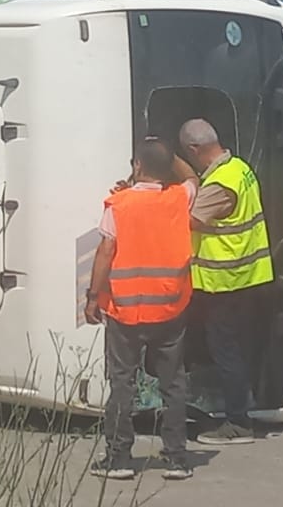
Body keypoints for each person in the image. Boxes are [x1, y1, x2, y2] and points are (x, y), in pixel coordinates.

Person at [85, 136, 195, 482]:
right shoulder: (180, 198)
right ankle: (177, 459)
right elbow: (191, 175)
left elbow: (105, 252)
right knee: (173, 384)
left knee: (122, 382)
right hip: (169, 308)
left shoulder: (119, 204)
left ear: (137, 166)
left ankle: (118, 459)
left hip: (125, 310)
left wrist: (92, 296)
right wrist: (167, 156)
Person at [179, 117, 274, 443]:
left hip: (227, 282)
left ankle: (237, 423)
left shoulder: (220, 184)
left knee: (226, 352)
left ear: (194, 149)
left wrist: (184, 177)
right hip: (245, 277)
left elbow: (188, 220)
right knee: (233, 349)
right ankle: (239, 413)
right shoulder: (239, 167)